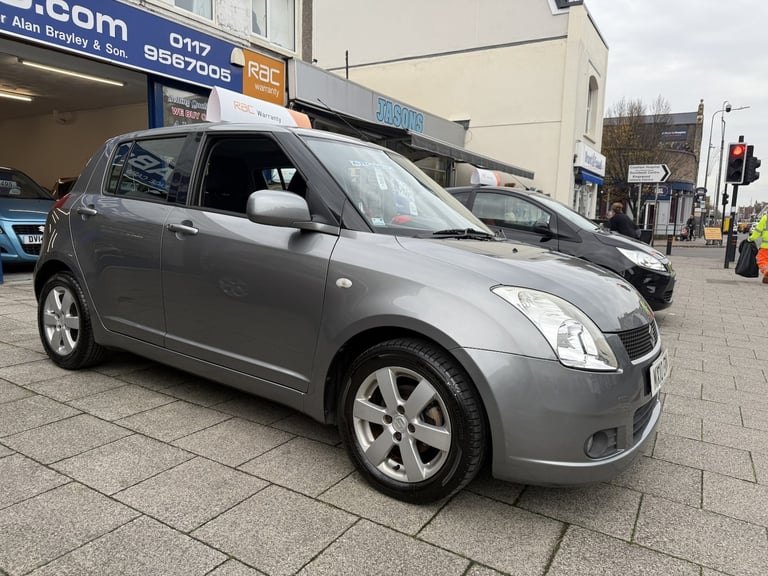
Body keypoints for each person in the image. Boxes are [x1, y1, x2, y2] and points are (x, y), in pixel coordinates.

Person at [748, 208, 768, 284]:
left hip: (766, 246)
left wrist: (751, 238)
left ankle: (766, 272)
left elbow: (757, 230)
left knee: (762, 260)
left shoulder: (765, 218)